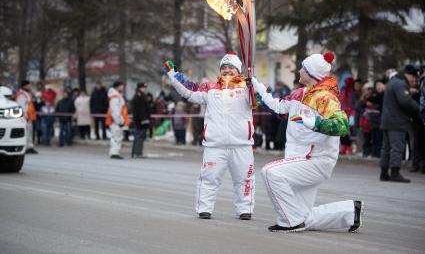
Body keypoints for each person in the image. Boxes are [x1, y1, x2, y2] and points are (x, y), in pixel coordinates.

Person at [252, 51, 362, 233]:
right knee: (303, 215)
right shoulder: (299, 94)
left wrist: (317, 123)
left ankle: (289, 222)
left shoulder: (326, 98)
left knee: (270, 173)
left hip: (315, 160)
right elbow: (278, 106)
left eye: (303, 68)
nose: (299, 70)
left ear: (312, 74)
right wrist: (259, 88)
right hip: (297, 158)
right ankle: (350, 213)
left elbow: (342, 126)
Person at [163, 52, 255, 220]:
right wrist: (174, 75)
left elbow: (259, 99)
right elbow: (189, 90)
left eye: (231, 68)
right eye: (224, 68)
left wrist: (252, 85)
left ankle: (245, 209)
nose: (227, 71)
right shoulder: (210, 89)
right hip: (215, 144)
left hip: (241, 144)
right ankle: (204, 208)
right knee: (209, 178)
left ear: (238, 70)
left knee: (244, 179)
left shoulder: (247, 88)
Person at [380, 65, 420, 183]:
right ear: (408, 74)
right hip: (397, 122)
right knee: (397, 148)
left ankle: (384, 173)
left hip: (387, 121)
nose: (414, 81)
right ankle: (395, 173)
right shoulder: (400, 84)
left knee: (386, 148)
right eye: (413, 77)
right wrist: (419, 108)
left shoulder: (393, 82)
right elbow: (404, 101)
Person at [106, 81, 129, 159]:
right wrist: (119, 121)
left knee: (116, 136)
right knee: (117, 137)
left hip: (116, 120)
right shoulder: (115, 97)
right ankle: (114, 153)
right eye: (121, 86)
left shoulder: (116, 96)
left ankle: (114, 152)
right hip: (116, 121)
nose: (122, 87)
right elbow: (115, 110)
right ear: (117, 87)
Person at [15, 80, 38, 154]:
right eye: (29, 85)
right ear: (25, 85)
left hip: (29, 116)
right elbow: (21, 106)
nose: (30, 86)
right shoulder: (21, 94)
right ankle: (25, 147)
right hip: (25, 117)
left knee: (30, 131)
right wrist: (25, 116)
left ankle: (30, 146)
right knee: (26, 131)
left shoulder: (27, 93)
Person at [131, 82, 151, 159]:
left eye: (145, 88)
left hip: (140, 120)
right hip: (140, 120)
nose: (144, 89)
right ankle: (137, 153)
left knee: (139, 137)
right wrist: (144, 119)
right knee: (139, 137)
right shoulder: (139, 96)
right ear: (139, 88)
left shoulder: (141, 95)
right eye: (143, 87)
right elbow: (140, 110)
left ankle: (135, 153)